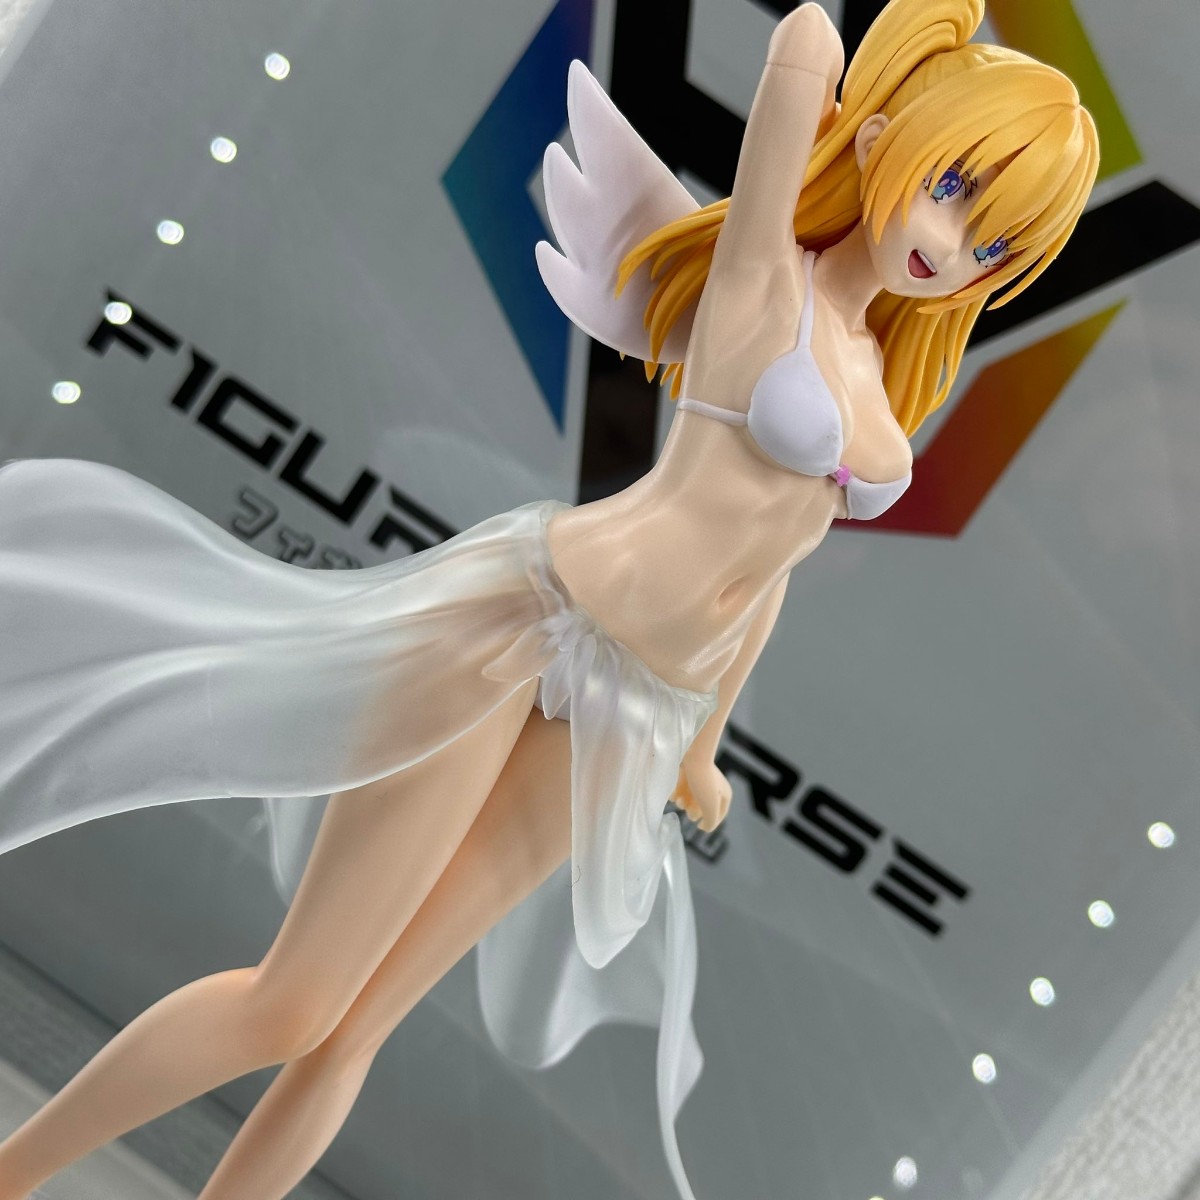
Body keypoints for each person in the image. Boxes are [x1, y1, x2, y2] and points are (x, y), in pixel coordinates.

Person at [0, 1, 1097, 1197]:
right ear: (883, 142)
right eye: (953, 188)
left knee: (357, 1031)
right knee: (297, 1001)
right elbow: (801, 57)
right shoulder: (762, 279)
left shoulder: (888, 381)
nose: (953, 244)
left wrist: (704, 745)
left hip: (639, 710)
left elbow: (769, 575)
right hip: (531, 625)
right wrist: (886, 68)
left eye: (996, 242)